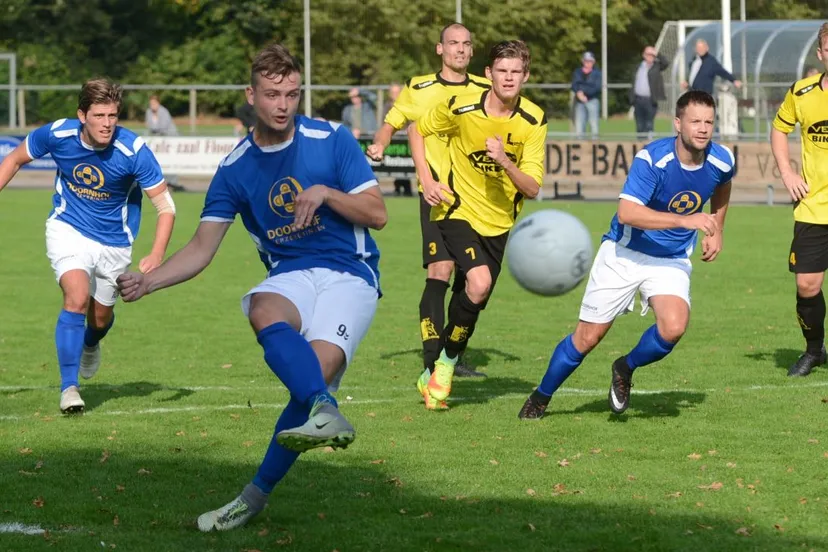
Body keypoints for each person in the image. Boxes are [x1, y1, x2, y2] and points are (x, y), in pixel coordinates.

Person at [116, 43, 387, 532]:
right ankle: (326, 408)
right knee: (263, 306)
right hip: (290, 272)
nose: (283, 105)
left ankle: (253, 496)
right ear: (251, 95)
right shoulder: (236, 167)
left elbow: (378, 215)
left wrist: (327, 193)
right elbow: (201, 247)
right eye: (272, 94)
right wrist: (149, 281)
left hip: (351, 271)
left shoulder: (332, 138)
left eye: (291, 94)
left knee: (311, 380)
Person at [518, 90, 733, 419]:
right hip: (624, 253)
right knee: (588, 337)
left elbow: (723, 185)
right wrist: (687, 220)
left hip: (670, 259)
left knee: (674, 327)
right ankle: (541, 396)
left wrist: (717, 227)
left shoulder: (721, 159)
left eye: (708, 122)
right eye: (695, 122)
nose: (703, 129)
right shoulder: (653, 160)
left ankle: (625, 368)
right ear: (678, 123)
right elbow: (627, 213)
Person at [0, 78, 176, 414]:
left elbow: (166, 207)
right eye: (99, 115)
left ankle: (91, 343)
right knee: (76, 296)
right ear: (82, 115)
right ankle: (69, 388)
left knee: (99, 318)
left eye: (113, 115)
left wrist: (156, 254)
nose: (107, 123)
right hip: (68, 228)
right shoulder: (57, 134)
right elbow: (15, 159)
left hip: (115, 242)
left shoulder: (133, 150)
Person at [410, 40, 547, 408]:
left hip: (499, 224)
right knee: (479, 280)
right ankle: (446, 367)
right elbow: (417, 130)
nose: (508, 78)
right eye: (502, 71)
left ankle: (441, 363)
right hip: (456, 211)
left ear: (525, 77)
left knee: (472, 296)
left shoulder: (533, 120)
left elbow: (532, 188)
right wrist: (427, 179)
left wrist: (505, 160)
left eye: (516, 72)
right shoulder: (461, 106)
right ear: (488, 74)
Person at [367, 23, 491, 395]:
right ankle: (431, 360)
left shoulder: (484, 90)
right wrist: (379, 143)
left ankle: (452, 356)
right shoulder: (420, 86)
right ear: (440, 49)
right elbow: (394, 122)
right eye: (453, 44)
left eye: (467, 44)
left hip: (477, 200)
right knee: (440, 268)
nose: (460, 50)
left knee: (473, 280)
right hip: (437, 194)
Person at [770, 22, 828, 377]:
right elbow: (779, 129)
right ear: (821, 53)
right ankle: (813, 350)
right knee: (807, 284)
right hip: (813, 206)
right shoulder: (802, 92)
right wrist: (787, 173)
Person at [145, 94, 184, 192]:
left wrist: (154, 130)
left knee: (171, 160)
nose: (152, 105)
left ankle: (172, 182)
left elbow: (163, 127)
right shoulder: (148, 112)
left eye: (154, 103)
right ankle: (161, 181)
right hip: (159, 140)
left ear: (158, 103)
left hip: (170, 138)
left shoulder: (163, 112)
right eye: (151, 103)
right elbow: (149, 126)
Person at [629, 45, 669, 140]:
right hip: (638, 100)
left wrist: (657, 53)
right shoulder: (638, 66)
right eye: (648, 54)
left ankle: (649, 145)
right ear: (644, 55)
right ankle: (639, 146)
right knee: (639, 124)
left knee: (649, 124)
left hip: (650, 101)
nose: (650, 56)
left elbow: (666, 63)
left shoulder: (657, 67)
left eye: (652, 55)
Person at [571, 51, 601, 139]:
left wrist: (584, 93)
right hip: (579, 101)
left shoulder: (597, 73)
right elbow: (574, 85)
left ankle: (595, 145)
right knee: (579, 124)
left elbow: (597, 87)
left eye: (590, 61)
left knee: (593, 124)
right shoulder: (577, 72)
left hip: (592, 100)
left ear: (593, 62)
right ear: (582, 61)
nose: (588, 63)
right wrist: (579, 93)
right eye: (586, 61)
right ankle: (580, 146)